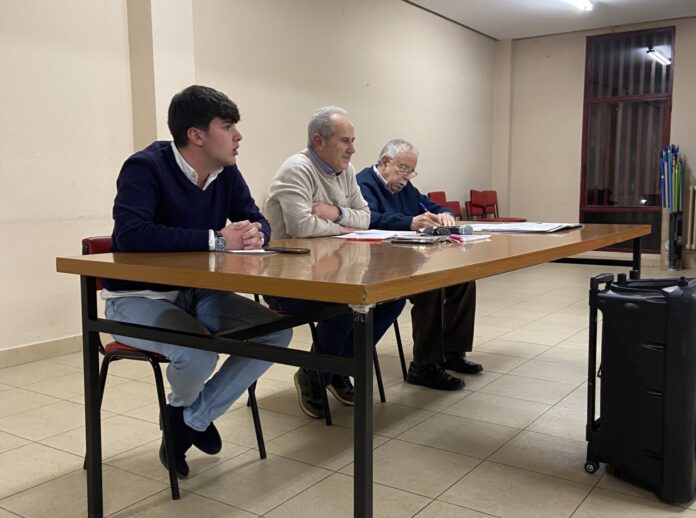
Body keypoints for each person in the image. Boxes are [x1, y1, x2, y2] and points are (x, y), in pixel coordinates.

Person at [102, 85, 292, 479]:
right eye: (228, 126)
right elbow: (131, 235)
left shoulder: (226, 172)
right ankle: (190, 418)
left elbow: (257, 218)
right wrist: (217, 239)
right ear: (196, 135)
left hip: (197, 293)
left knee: (276, 333)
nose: (238, 136)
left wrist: (256, 233)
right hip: (137, 297)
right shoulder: (145, 167)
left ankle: (188, 419)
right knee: (198, 353)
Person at [264, 106, 405, 418]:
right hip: (287, 278)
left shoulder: (347, 171)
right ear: (319, 141)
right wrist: (344, 227)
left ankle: (337, 366)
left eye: (353, 140)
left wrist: (333, 213)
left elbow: (365, 218)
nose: (352, 149)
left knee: (392, 299)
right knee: (345, 304)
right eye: (345, 141)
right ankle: (315, 374)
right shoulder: (296, 169)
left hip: (335, 269)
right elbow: (301, 226)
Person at [356, 138, 483, 390]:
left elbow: (431, 205)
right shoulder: (363, 183)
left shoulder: (405, 188)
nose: (407, 177)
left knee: (463, 279)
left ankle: (452, 353)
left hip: (406, 258)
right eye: (403, 168)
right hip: (374, 264)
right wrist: (409, 222)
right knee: (431, 286)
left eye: (412, 171)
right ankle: (424, 366)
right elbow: (368, 219)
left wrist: (446, 214)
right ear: (385, 162)